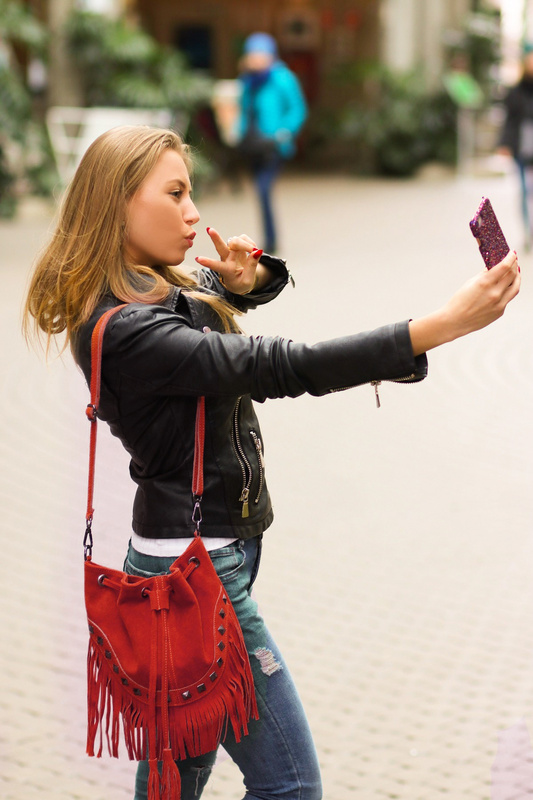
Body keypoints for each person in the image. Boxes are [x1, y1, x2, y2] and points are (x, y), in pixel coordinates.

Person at [23, 125, 520, 800]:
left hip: (194, 556)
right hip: (196, 574)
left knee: (176, 773)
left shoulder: (151, 292)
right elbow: (277, 366)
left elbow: (213, 297)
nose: (195, 213)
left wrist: (250, 278)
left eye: (190, 192)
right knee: (289, 784)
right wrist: (437, 326)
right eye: (175, 193)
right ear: (117, 204)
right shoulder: (133, 331)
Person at [237, 32, 307, 253]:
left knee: (263, 189)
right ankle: (268, 237)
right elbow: (243, 111)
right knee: (260, 192)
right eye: (252, 54)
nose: (256, 59)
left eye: (260, 54)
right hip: (252, 144)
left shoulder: (283, 78)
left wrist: (282, 133)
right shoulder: (247, 80)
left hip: (273, 146)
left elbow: (298, 109)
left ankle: (271, 241)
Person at [498, 43, 533, 249]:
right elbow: (509, 120)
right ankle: (528, 231)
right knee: (523, 190)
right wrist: (504, 144)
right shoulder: (515, 92)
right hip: (521, 147)